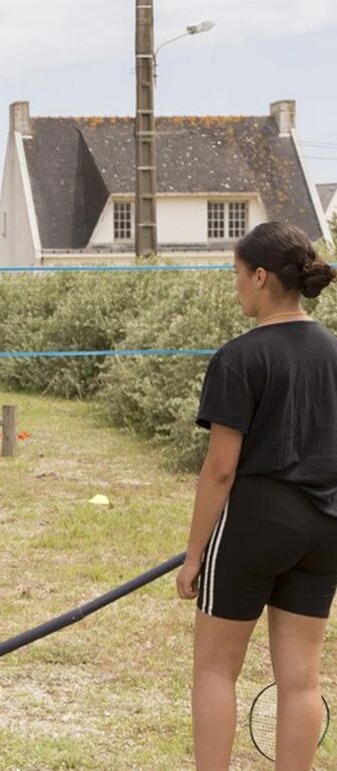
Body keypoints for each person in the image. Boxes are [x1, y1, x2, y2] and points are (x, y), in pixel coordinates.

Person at [176, 221, 337, 770]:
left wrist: (195, 555)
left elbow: (221, 470)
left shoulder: (241, 356)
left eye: (238, 274)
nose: (235, 286)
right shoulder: (333, 350)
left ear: (262, 276)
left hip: (257, 522)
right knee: (301, 680)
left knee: (216, 670)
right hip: (325, 527)